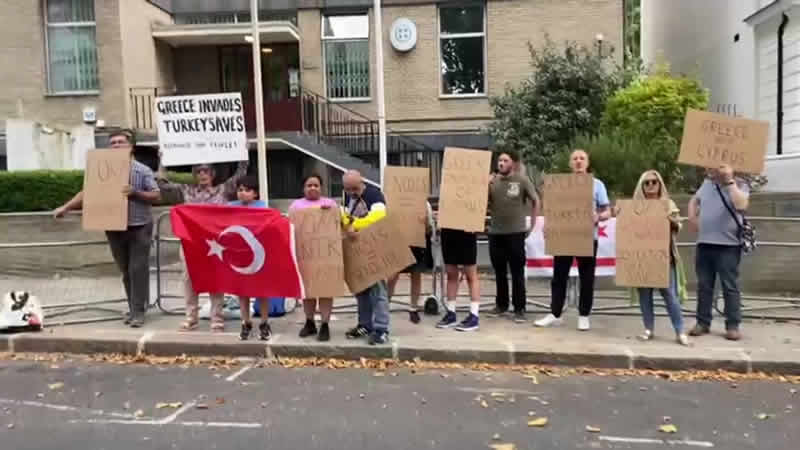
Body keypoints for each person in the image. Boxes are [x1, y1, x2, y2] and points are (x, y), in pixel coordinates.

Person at [54, 129, 161, 328]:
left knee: (137, 269)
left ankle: (138, 312)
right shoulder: (100, 168)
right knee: (126, 271)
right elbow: (87, 192)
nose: (116, 146)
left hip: (139, 226)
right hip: (113, 226)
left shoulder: (141, 170)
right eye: (112, 143)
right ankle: (134, 307)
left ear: (130, 147)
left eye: (121, 142)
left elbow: (156, 195)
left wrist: (135, 192)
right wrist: (66, 207)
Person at [156, 159, 249, 333]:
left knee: (215, 278)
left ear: (212, 174)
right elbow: (162, 185)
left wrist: (244, 155)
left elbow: (239, 177)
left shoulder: (222, 190)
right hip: (190, 243)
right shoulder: (186, 191)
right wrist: (163, 161)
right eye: (198, 172)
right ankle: (191, 317)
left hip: (215, 244)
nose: (202, 174)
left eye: (206, 171)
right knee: (189, 279)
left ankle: (217, 318)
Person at [535, 149, 610, 331]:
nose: (578, 161)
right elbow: (552, 210)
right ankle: (555, 313)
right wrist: (547, 225)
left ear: (587, 162)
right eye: (575, 158)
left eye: (582, 158)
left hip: (586, 236)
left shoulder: (597, 184)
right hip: (564, 236)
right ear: (570, 163)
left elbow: (608, 210)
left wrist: (598, 217)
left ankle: (584, 315)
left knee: (587, 277)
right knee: (559, 276)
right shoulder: (561, 184)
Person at [687, 164, 750, 341]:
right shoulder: (707, 184)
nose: (709, 168)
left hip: (728, 245)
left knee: (730, 286)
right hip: (704, 243)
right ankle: (703, 323)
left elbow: (742, 205)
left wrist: (729, 181)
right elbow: (695, 199)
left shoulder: (739, 183)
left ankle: (733, 325)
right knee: (704, 286)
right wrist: (692, 217)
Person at [626, 170, 689, 346]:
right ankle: (648, 329)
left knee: (669, 294)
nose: (651, 185)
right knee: (645, 294)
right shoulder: (635, 206)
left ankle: (679, 331)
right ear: (642, 186)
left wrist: (671, 221)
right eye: (647, 183)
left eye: (654, 182)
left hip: (664, 257)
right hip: (642, 257)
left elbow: (679, 227)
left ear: (660, 184)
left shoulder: (668, 204)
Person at [487, 151, 540, 323]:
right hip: (495, 233)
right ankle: (501, 305)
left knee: (517, 272)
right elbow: (479, 202)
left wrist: (532, 224)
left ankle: (519, 308)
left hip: (515, 233)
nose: (501, 163)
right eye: (499, 160)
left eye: (505, 160)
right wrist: (484, 185)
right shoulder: (492, 182)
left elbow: (535, 200)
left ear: (513, 164)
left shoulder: (522, 180)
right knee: (499, 272)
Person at [340, 170, 391, 345]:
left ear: (361, 182)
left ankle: (381, 328)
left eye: (355, 188)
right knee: (360, 290)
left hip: (374, 249)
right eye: (348, 189)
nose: (352, 192)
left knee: (378, 290)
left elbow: (378, 216)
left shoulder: (374, 194)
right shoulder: (348, 197)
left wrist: (354, 225)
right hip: (357, 249)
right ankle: (365, 324)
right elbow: (345, 217)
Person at [290, 174, 338, 342]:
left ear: (321, 188)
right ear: (303, 188)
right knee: (307, 291)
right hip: (305, 255)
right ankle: (309, 322)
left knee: (325, 290)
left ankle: (325, 324)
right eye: (309, 185)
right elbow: (290, 228)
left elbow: (338, 224)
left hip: (325, 256)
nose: (312, 188)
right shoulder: (296, 206)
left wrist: (330, 213)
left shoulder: (330, 204)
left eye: (316, 185)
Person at [227, 175, 272, 341]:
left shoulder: (263, 208)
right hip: (239, 255)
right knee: (242, 291)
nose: (243, 193)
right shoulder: (230, 208)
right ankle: (246, 322)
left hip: (259, 255)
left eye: (247, 190)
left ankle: (264, 323)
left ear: (255, 194)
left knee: (262, 290)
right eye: (240, 190)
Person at [386, 201, 435, 324]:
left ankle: (413, 308)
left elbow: (429, 228)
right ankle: (385, 304)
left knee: (416, 275)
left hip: (417, 243)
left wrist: (425, 223)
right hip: (399, 241)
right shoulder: (395, 200)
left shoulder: (424, 203)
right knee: (392, 275)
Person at [436, 219, 482, 331]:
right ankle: (451, 312)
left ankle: (474, 315)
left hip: (467, 230)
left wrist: (475, 222)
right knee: (451, 273)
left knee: (470, 274)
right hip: (448, 231)